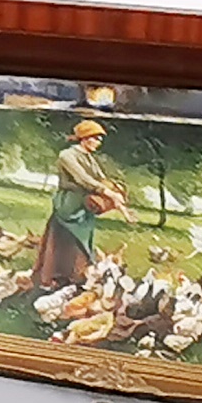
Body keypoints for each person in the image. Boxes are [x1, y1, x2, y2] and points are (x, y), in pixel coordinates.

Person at [27, 119, 132, 295]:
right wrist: (108, 192)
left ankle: (75, 279)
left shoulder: (90, 158)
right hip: (69, 204)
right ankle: (50, 279)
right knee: (61, 241)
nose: (98, 143)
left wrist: (119, 200)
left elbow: (100, 178)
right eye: (96, 139)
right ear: (84, 138)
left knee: (81, 245)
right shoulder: (67, 156)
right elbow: (83, 179)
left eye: (99, 140)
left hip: (86, 204)